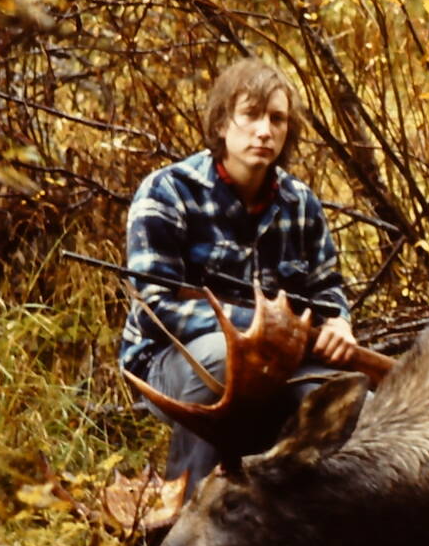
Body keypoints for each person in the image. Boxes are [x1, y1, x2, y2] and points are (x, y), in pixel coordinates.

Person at [118, 57, 357, 491]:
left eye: (277, 119)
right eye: (250, 115)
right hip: (171, 365)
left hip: (280, 363)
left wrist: (339, 322)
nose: (264, 130)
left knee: (353, 405)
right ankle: (184, 513)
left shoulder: (301, 203)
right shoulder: (166, 192)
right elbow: (157, 308)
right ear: (223, 123)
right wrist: (264, 331)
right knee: (230, 361)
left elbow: (327, 289)